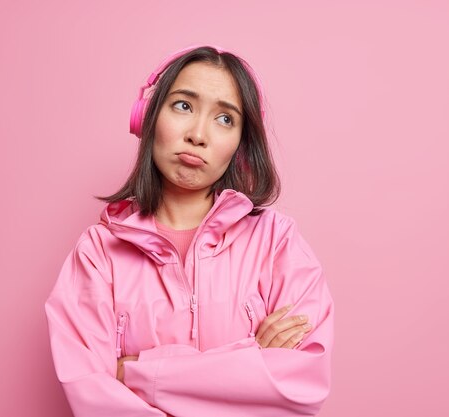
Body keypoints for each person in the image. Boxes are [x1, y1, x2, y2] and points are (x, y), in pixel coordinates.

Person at [44, 45, 334, 417]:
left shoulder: (278, 244)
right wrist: (250, 363)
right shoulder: (97, 254)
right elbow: (93, 398)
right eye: (183, 106)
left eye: (225, 119)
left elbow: (301, 388)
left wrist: (138, 373)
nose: (198, 134)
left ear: (242, 143)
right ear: (147, 118)